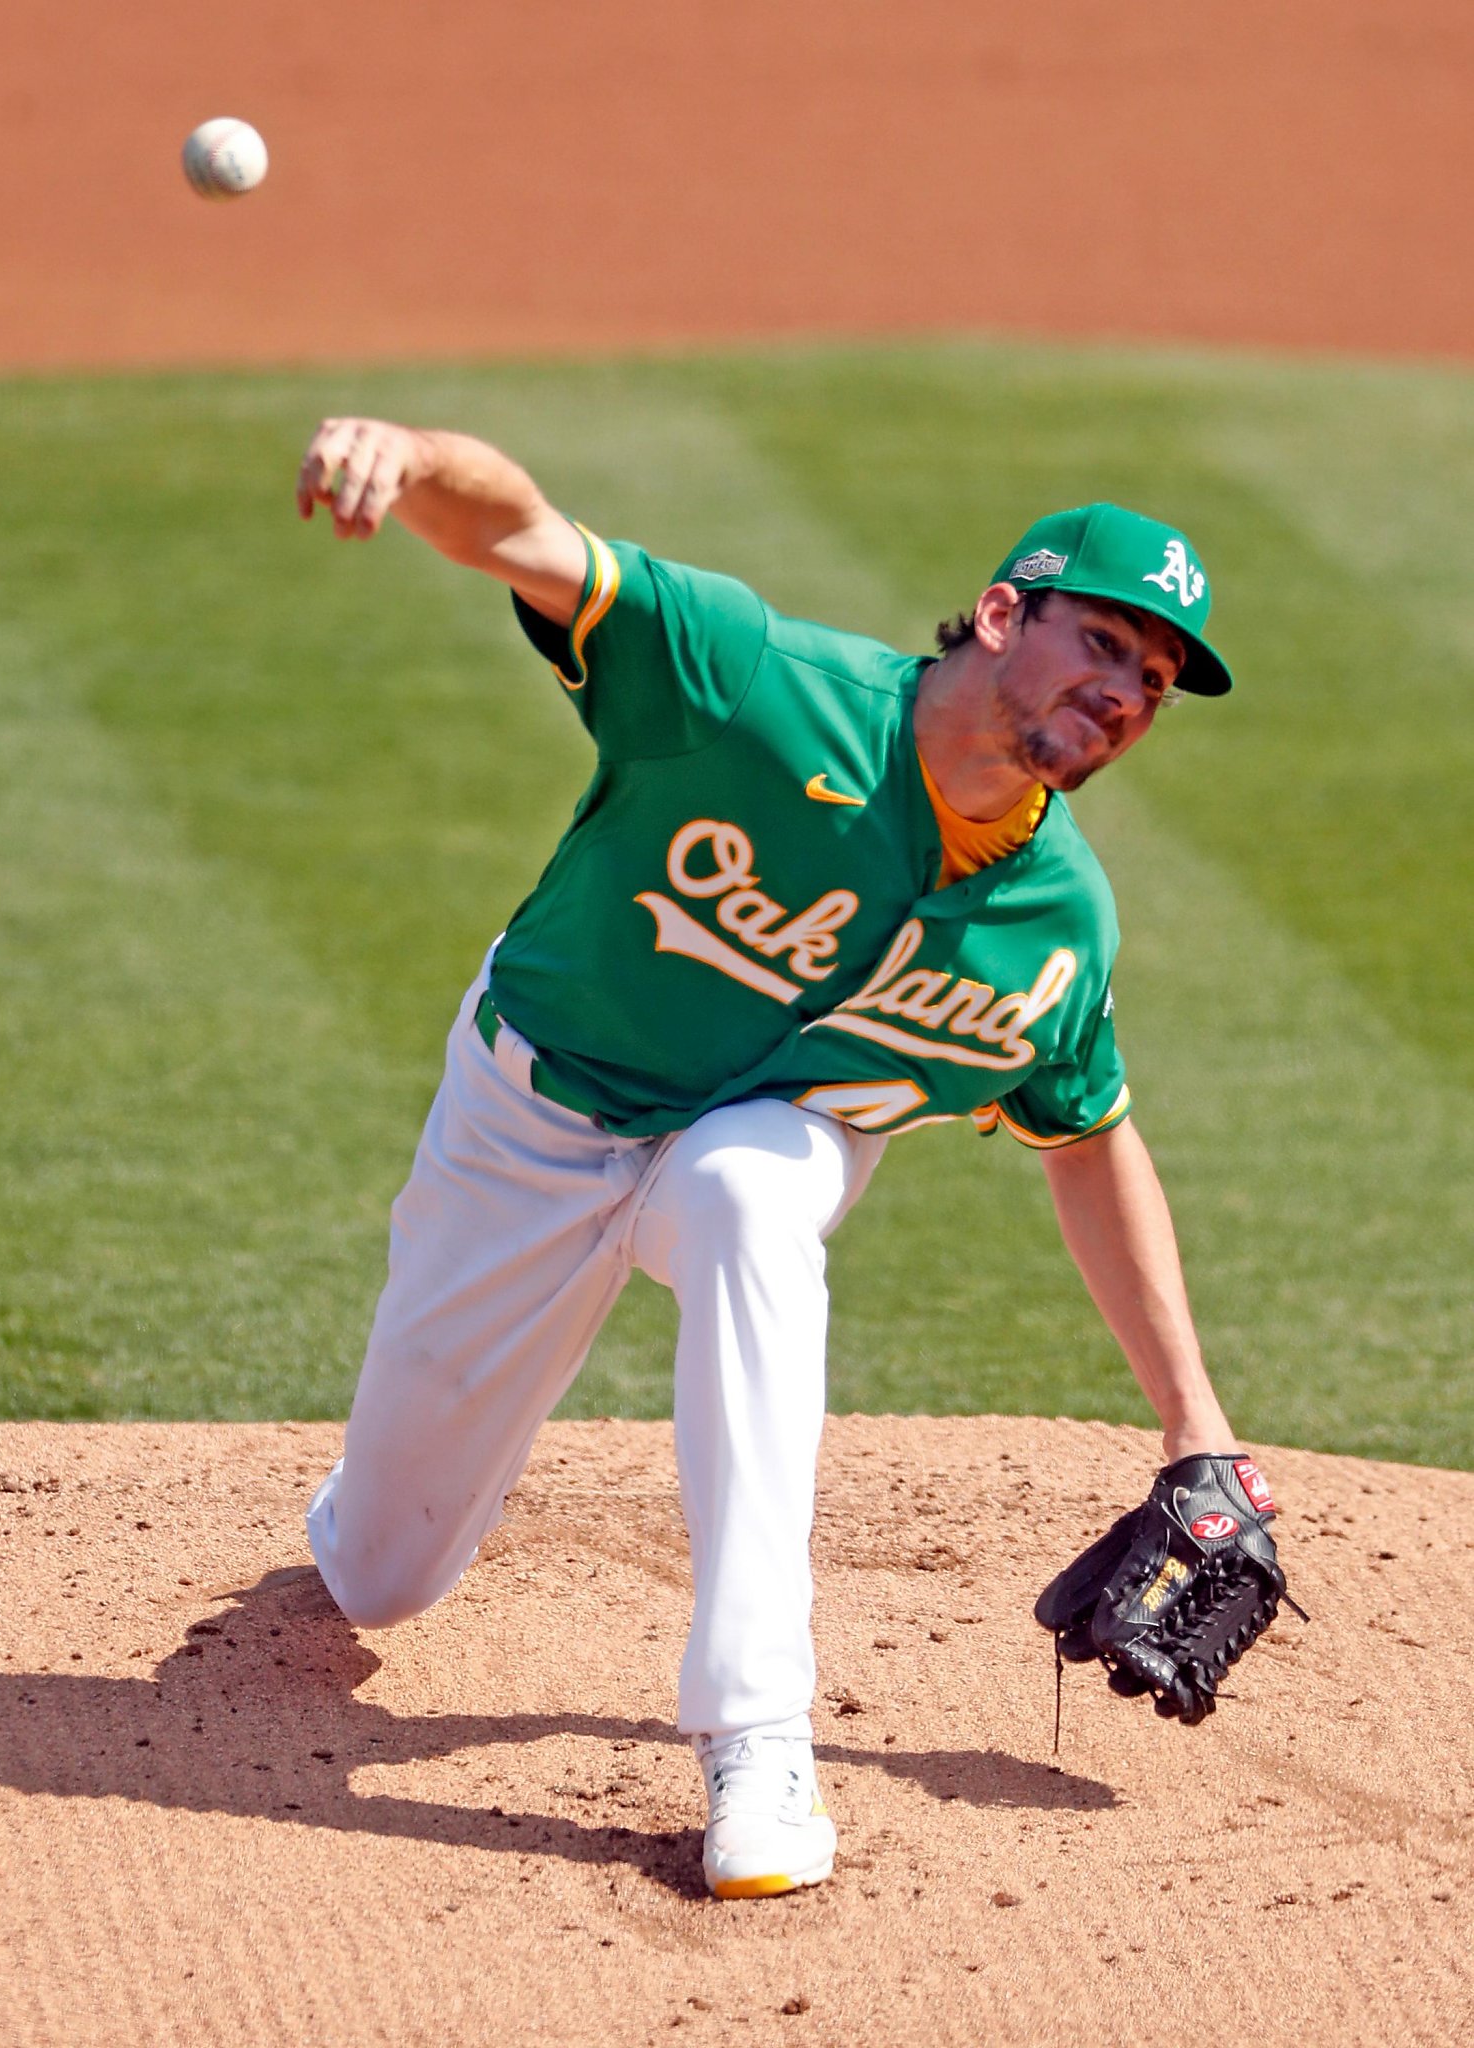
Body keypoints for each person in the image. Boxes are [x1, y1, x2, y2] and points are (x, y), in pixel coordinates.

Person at [294, 416, 1246, 1900]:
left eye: (1154, 678)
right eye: (1106, 642)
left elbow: (1088, 1136)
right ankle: (371, 1513)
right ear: (1004, 614)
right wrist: (406, 459)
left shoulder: (1056, 923)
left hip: (764, 1140)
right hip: (534, 1117)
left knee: (747, 1190)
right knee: (379, 1579)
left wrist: (1198, 1426)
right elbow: (525, 533)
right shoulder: (752, 683)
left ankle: (759, 1738)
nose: (1123, 691)